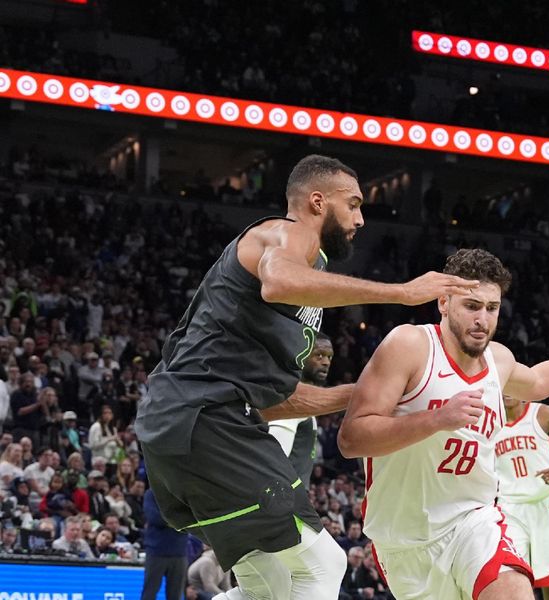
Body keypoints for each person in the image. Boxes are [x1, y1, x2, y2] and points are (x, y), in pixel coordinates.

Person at [134, 155, 479, 600]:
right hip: (205, 422)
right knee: (323, 564)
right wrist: (402, 293)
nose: (359, 219)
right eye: (352, 205)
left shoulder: (303, 277)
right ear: (318, 202)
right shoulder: (290, 234)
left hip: (183, 426)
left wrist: (365, 394)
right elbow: (277, 282)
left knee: (271, 582)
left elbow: (271, 400)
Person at [339, 248, 549, 600]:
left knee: (514, 590)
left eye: (492, 308)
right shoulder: (410, 345)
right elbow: (352, 438)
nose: (482, 320)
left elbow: (536, 380)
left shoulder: (497, 359)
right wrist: (437, 419)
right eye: (472, 306)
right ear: (444, 302)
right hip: (404, 541)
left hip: (475, 522)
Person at [495, 394, 549, 600]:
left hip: (546, 506)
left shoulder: (545, 415)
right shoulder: (490, 422)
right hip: (509, 509)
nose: (509, 392)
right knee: (512, 582)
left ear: (522, 388)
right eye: (504, 387)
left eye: (513, 387)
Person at [269, 333, 333, 489]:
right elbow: (273, 460)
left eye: (329, 357)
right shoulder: (291, 400)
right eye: (319, 355)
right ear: (300, 355)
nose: (326, 362)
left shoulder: (303, 401)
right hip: (282, 499)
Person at [141, 487, 189, 600]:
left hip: (179, 552)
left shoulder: (182, 493)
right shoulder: (151, 493)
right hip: (157, 551)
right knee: (149, 593)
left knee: (176, 595)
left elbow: (190, 517)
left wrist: (170, 521)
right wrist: (177, 521)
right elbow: (154, 517)